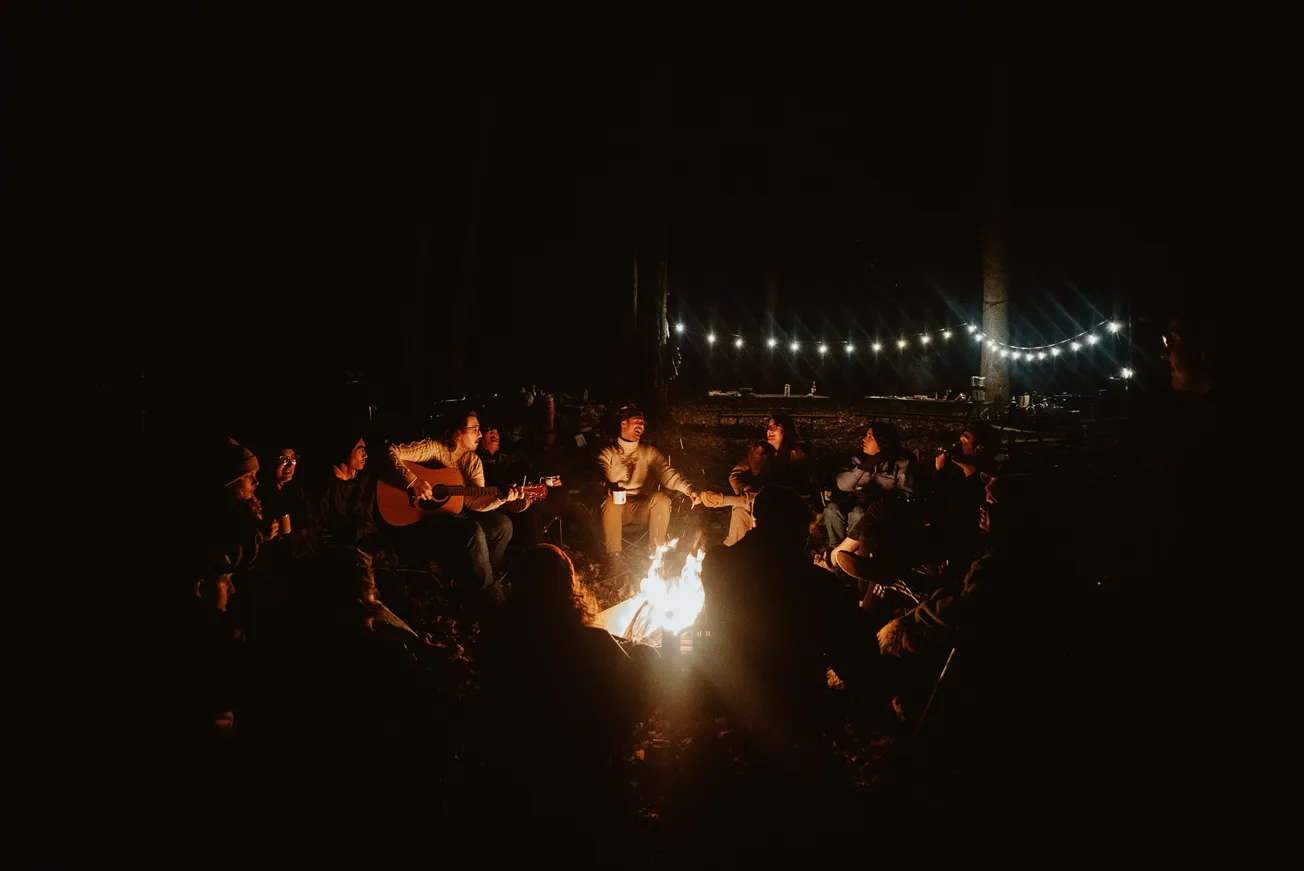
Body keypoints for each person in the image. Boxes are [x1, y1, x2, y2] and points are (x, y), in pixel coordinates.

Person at [701, 486, 873, 756]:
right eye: (805, 530)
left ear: (757, 522)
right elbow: (855, 658)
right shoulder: (818, 585)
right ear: (795, 530)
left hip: (726, 687)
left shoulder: (716, 563)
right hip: (793, 701)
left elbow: (707, 627)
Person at [388, 409, 524, 598]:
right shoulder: (434, 449)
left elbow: (474, 500)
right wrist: (412, 481)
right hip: (425, 517)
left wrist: (502, 497)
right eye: (474, 429)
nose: (480, 434)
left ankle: (478, 587)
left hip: (455, 514)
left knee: (503, 525)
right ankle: (491, 596)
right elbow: (390, 452)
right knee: (473, 530)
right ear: (458, 433)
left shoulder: (473, 461)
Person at [597, 404, 700, 559]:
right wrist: (608, 485)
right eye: (637, 421)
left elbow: (668, 474)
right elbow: (600, 473)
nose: (641, 425)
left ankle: (657, 553)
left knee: (661, 498)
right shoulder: (608, 453)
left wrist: (689, 490)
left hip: (642, 508)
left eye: (643, 423)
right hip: (617, 509)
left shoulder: (648, 452)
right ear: (624, 423)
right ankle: (614, 556)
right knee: (610, 501)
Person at [823, 420, 914, 554]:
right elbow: (842, 485)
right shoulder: (858, 460)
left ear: (882, 442)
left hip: (875, 513)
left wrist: (873, 498)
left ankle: (850, 554)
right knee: (831, 509)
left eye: (870, 437)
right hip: (851, 504)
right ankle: (835, 550)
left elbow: (905, 496)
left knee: (858, 513)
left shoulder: (899, 465)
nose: (864, 439)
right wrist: (865, 466)